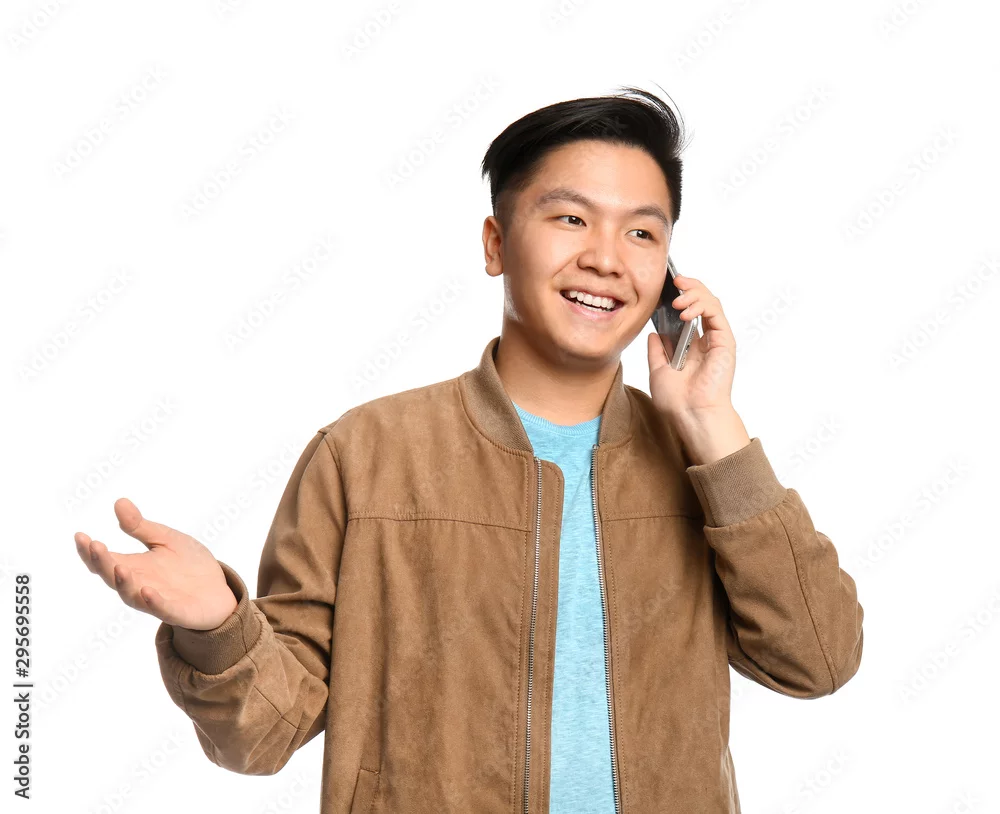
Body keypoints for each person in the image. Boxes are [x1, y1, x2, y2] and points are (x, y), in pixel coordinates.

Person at [73, 85, 863, 813]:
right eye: (570, 219)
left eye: (642, 232)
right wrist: (218, 626)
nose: (606, 257)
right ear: (495, 243)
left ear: (668, 276)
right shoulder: (366, 455)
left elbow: (820, 658)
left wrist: (713, 426)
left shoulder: (704, 468)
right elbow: (265, 732)